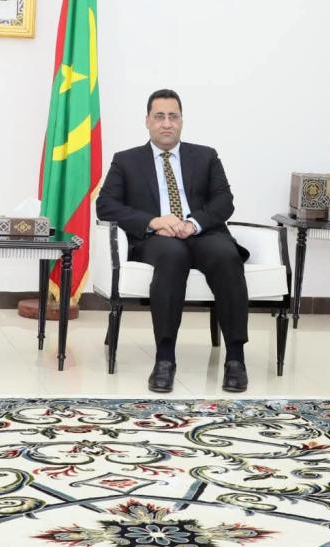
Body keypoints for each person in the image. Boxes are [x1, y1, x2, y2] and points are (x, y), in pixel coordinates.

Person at [96, 90, 250, 394]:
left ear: (181, 121)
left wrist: (193, 224)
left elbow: (224, 201)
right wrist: (153, 222)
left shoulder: (206, 156)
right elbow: (106, 206)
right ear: (147, 121)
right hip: (157, 238)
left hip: (201, 233)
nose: (166, 123)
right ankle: (165, 358)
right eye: (159, 116)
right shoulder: (126, 161)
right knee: (172, 256)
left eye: (173, 116)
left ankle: (235, 358)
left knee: (226, 256)